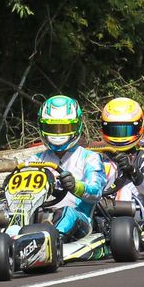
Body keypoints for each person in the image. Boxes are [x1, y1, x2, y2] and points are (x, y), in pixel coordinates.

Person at [33, 95, 108, 239]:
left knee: (67, 213)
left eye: (64, 128)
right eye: (52, 128)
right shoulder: (35, 160)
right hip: (39, 215)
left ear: (75, 126)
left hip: (79, 218)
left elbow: (96, 191)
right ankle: (8, 243)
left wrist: (75, 186)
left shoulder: (90, 158)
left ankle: (52, 239)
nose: (58, 133)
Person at [97, 97, 144, 206]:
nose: (120, 136)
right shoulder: (97, 156)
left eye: (126, 130)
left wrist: (133, 171)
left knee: (125, 190)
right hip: (98, 211)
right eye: (115, 130)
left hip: (133, 216)